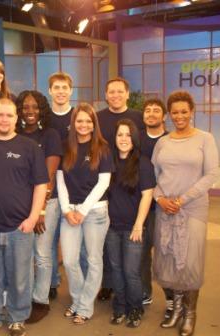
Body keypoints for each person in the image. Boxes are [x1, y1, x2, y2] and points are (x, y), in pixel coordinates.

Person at [0, 98, 48, 336]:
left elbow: (40, 185)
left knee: (20, 277)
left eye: (9, 115)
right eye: (0, 115)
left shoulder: (30, 147)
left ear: (16, 118)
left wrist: (33, 217)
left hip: (20, 227)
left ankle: (17, 318)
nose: (4, 119)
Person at [152, 90, 219, 336]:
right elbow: (154, 175)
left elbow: (211, 174)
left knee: (190, 262)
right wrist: (160, 198)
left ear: (191, 112)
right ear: (169, 114)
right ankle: (177, 309)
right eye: (175, 112)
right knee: (168, 261)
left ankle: (190, 313)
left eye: (184, 111)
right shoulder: (163, 142)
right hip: (166, 209)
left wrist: (182, 199)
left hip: (192, 209)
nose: (179, 116)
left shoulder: (205, 139)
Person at [56, 103, 113, 324]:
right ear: (73, 123)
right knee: (69, 260)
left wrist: (82, 210)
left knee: (93, 259)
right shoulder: (65, 147)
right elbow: (60, 181)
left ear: (94, 124)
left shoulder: (102, 148)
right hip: (69, 212)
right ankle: (79, 300)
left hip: (95, 212)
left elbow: (103, 183)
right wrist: (66, 209)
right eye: (79, 120)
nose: (84, 125)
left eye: (88, 121)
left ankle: (85, 306)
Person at [16, 90, 62, 323]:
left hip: (46, 204)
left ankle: (41, 301)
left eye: (34, 107)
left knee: (42, 255)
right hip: (21, 204)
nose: (30, 111)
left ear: (41, 109)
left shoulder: (50, 135)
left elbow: (50, 175)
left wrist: (41, 210)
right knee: (24, 255)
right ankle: (25, 299)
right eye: (25, 107)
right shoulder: (17, 135)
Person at [96, 77, 144, 301]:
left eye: (119, 92)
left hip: (133, 185)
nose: (115, 95)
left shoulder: (137, 117)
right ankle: (108, 284)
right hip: (107, 185)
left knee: (136, 245)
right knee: (108, 244)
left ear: (127, 93)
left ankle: (140, 291)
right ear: (106, 95)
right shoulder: (99, 118)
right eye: (111, 92)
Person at [106, 119, 155, 328]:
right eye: (119, 135)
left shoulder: (143, 162)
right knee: (115, 269)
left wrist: (138, 225)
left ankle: (135, 308)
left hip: (133, 228)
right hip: (111, 227)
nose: (123, 139)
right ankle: (120, 307)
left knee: (131, 272)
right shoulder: (109, 161)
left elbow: (147, 195)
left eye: (127, 135)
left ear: (134, 138)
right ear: (114, 138)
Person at [139, 99, 171, 312]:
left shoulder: (171, 140)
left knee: (167, 254)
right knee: (141, 253)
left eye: (156, 111)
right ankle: (144, 292)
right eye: (148, 110)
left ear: (164, 116)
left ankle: (171, 298)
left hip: (166, 207)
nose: (151, 114)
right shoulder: (136, 139)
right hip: (142, 208)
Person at [47, 72, 75, 299]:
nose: (61, 91)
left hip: (75, 186)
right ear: (50, 91)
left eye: (64, 87)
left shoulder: (79, 116)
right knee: (48, 238)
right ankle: (52, 282)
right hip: (49, 185)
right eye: (56, 87)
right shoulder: (44, 117)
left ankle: (82, 286)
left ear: (71, 91)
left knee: (74, 242)